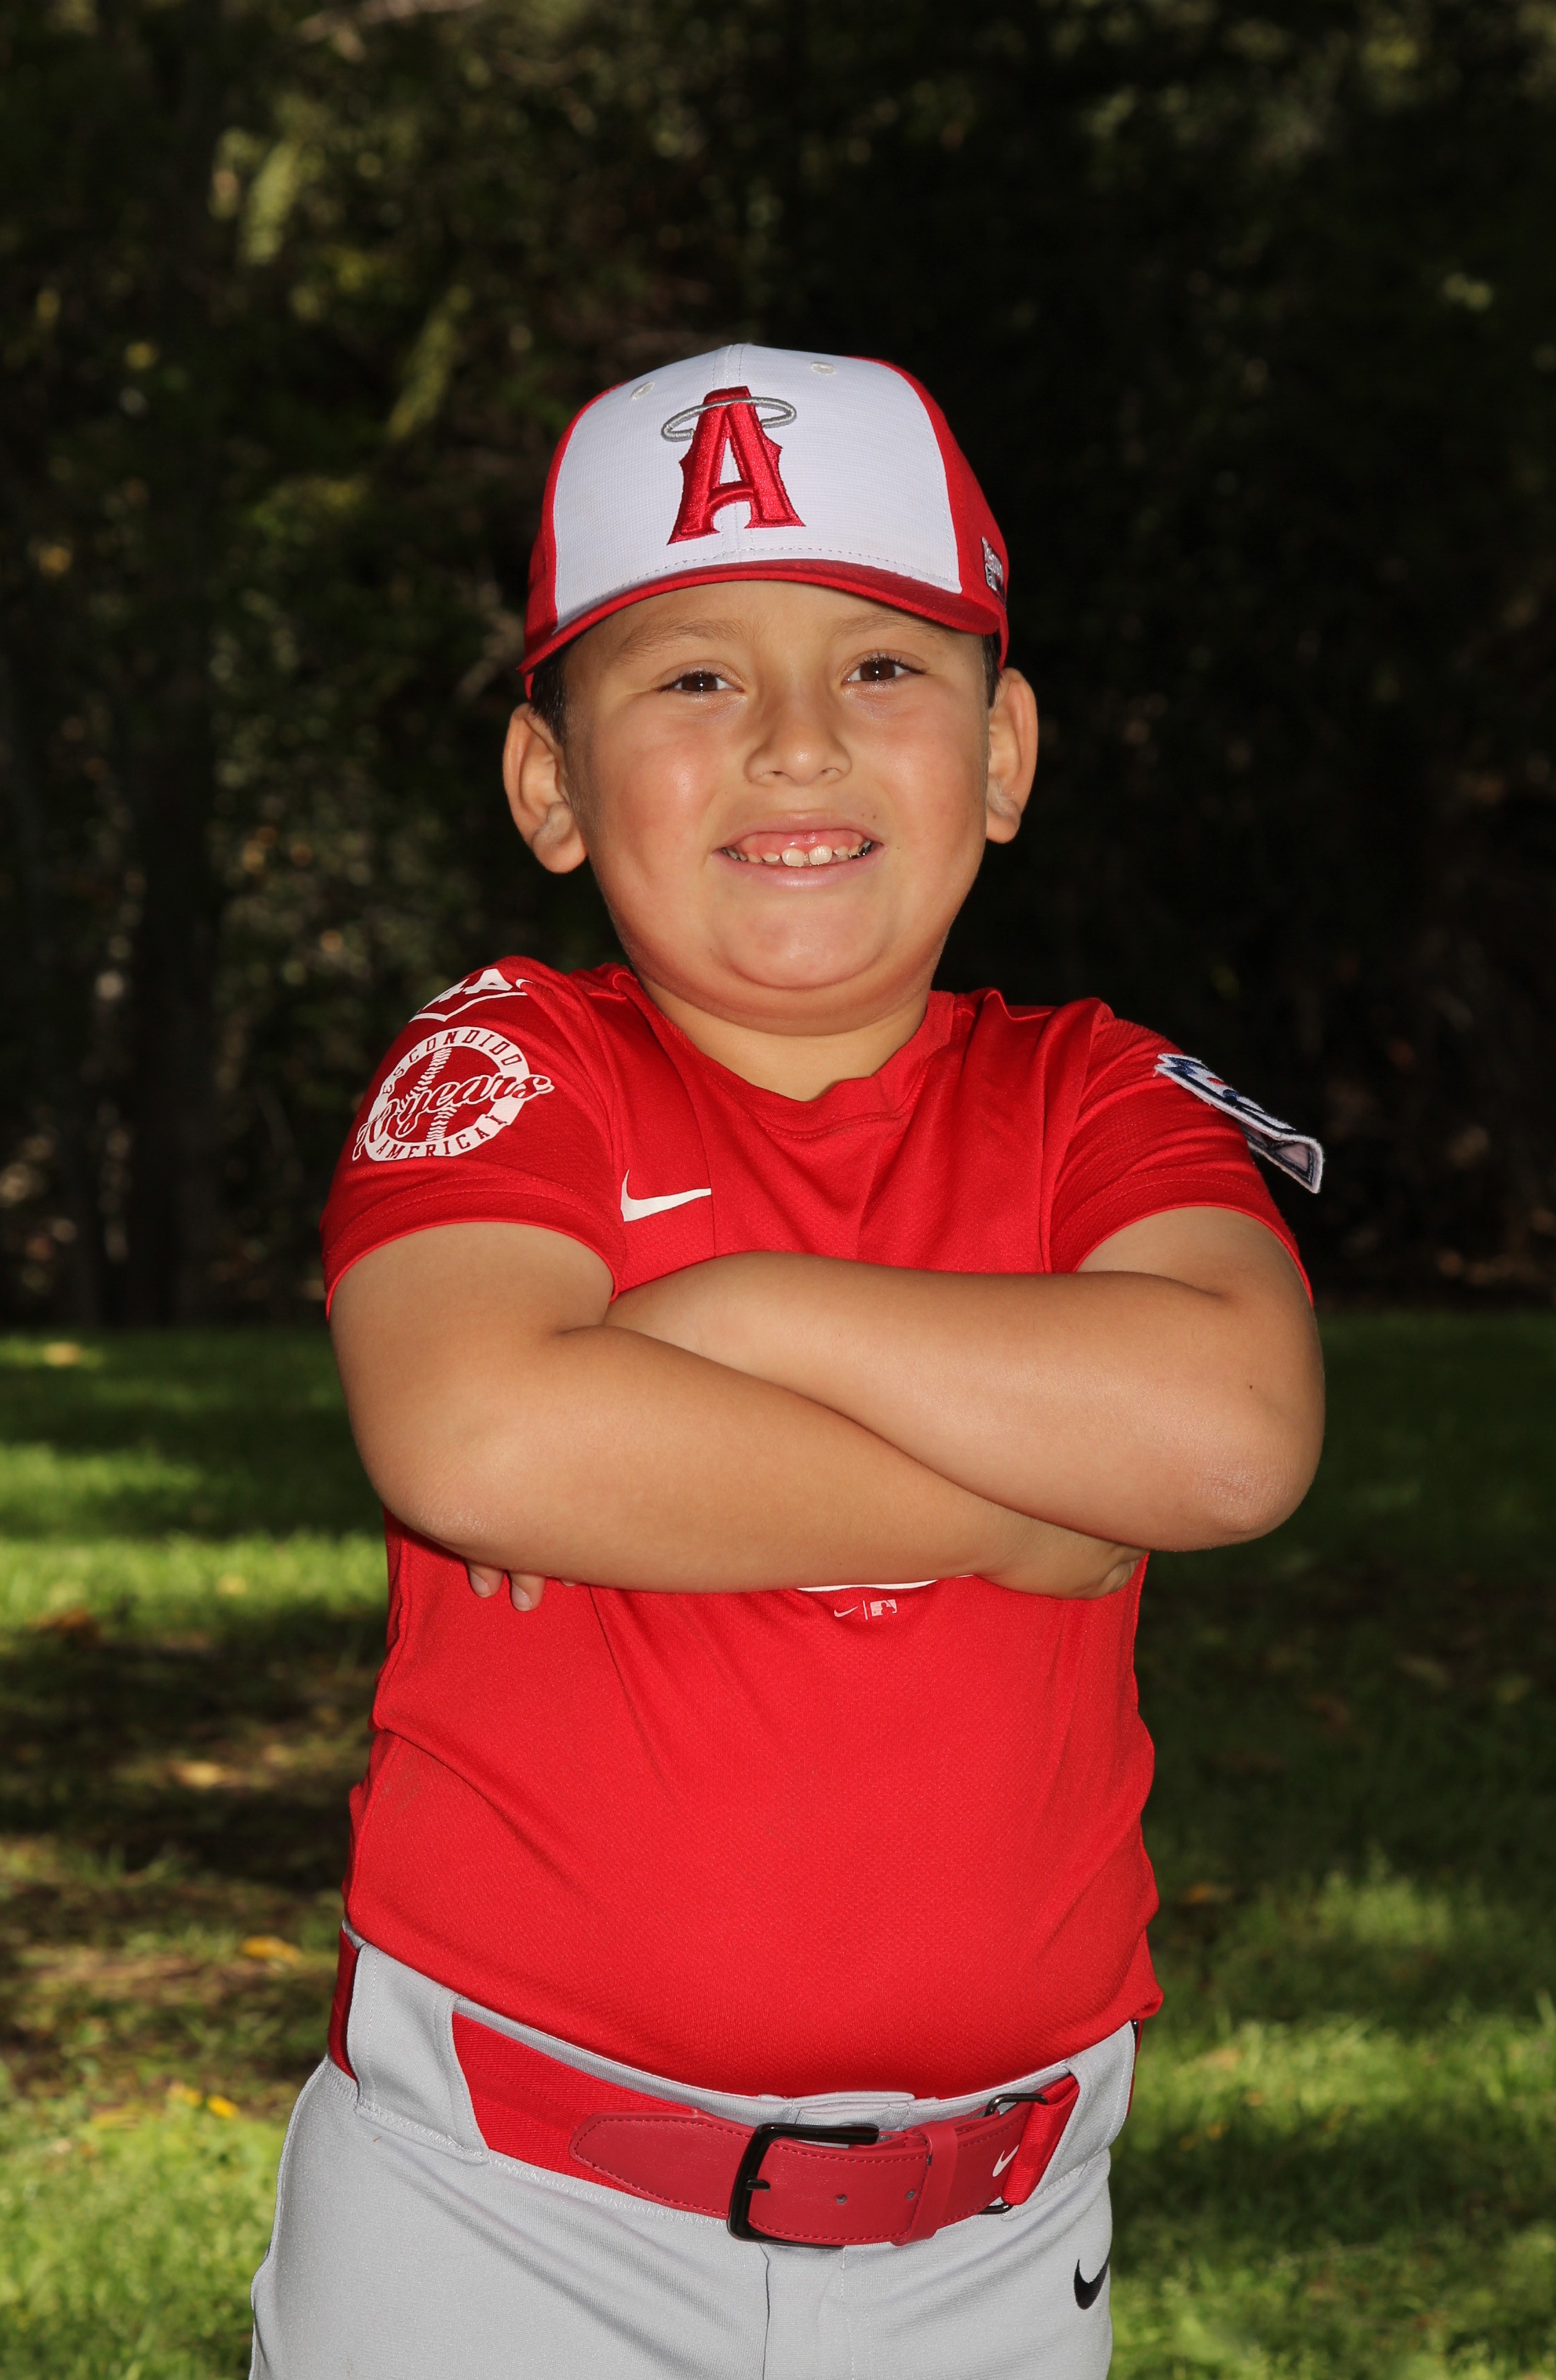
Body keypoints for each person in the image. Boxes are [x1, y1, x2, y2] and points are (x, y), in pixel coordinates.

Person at [249, 345, 1324, 2380]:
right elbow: (480, 1431)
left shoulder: (1098, 1098)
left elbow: (1230, 1437)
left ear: (1005, 754)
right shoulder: (511, 1066)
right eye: (693, 678)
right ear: (549, 785)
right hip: (505, 2218)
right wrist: (1026, 1510)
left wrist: (736, 1315)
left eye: (885, 668)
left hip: (995, 2241)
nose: (798, 742)